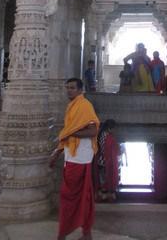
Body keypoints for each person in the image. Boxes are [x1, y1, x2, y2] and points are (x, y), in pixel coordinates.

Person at [49, 77, 100, 240]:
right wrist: (57, 152)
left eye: (72, 88)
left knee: (68, 196)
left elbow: (93, 131)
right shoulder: (72, 106)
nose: (68, 90)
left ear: (80, 90)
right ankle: (86, 233)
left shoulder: (84, 106)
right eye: (67, 88)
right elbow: (68, 133)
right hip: (74, 156)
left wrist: (72, 133)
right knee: (82, 196)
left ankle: (64, 233)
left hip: (80, 158)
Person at [96, 119, 121, 202]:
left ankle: (104, 195)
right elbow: (106, 150)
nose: (115, 130)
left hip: (101, 161)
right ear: (110, 128)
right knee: (106, 180)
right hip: (105, 161)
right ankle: (105, 196)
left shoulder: (101, 134)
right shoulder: (107, 136)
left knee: (103, 180)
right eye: (114, 128)